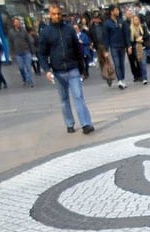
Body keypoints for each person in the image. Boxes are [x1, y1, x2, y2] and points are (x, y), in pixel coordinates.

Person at [38, 3, 94, 134]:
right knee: (64, 99)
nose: (57, 16)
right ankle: (69, 123)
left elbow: (77, 49)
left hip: (72, 68)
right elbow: (41, 53)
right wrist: (47, 69)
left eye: (58, 13)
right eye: (54, 14)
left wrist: (82, 69)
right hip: (58, 71)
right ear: (49, 15)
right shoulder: (46, 32)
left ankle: (86, 124)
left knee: (78, 96)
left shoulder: (69, 29)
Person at [103, 5, 130, 89]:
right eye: (116, 10)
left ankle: (122, 79)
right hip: (113, 47)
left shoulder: (122, 21)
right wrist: (106, 50)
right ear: (111, 12)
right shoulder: (107, 23)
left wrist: (128, 46)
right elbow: (106, 37)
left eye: (118, 10)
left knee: (122, 64)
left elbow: (126, 34)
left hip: (122, 46)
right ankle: (120, 81)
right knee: (117, 64)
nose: (118, 11)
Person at [8, 17, 35, 87]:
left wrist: (32, 51)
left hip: (26, 51)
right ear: (14, 24)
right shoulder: (11, 32)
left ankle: (30, 81)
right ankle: (24, 79)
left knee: (28, 67)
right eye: (16, 22)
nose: (18, 23)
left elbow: (29, 41)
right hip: (18, 53)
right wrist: (11, 53)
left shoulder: (24, 31)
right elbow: (10, 43)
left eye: (18, 22)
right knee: (21, 68)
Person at [129, 14, 149, 84]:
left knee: (143, 63)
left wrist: (142, 38)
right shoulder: (131, 29)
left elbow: (147, 36)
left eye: (137, 19)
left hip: (143, 47)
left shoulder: (142, 27)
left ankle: (145, 78)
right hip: (136, 48)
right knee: (140, 63)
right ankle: (142, 76)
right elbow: (130, 40)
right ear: (133, 21)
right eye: (134, 20)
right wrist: (136, 40)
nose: (136, 21)